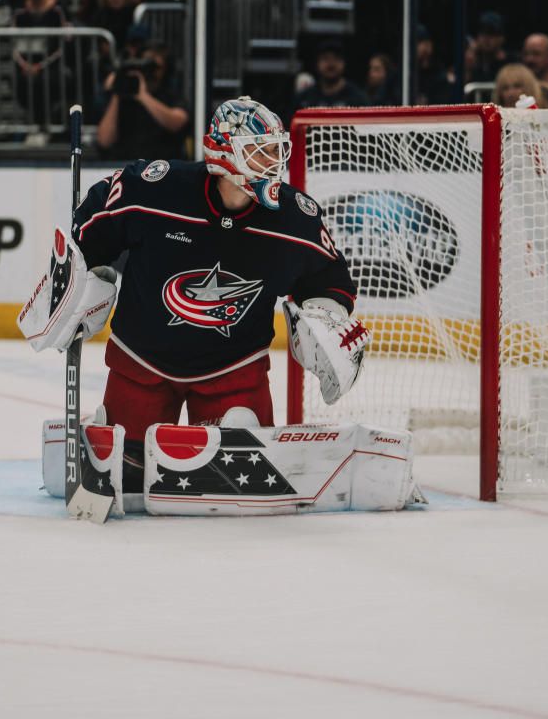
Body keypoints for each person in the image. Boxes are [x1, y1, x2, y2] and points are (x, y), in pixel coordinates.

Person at [24, 96, 366, 493]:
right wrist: (79, 280)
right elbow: (92, 228)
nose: (274, 163)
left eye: (277, 151)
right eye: (261, 152)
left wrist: (325, 314)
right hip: (142, 364)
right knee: (126, 474)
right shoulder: (155, 188)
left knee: (242, 469)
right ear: (224, 155)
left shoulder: (293, 219)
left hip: (234, 371)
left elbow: (330, 278)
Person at [96, 41, 188, 161]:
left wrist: (143, 96)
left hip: (163, 168)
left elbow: (177, 123)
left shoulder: (171, 94)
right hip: (126, 166)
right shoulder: (123, 96)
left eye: (156, 67)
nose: (151, 72)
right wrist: (118, 88)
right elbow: (104, 140)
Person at [11, 0, 69, 128]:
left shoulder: (58, 9)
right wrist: (25, 65)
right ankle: (35, 126)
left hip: (52, 66)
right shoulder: (19, 10)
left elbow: (64, 44)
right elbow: (13, 43)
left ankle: (45, 126)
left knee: (45, 83)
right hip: (25, 66)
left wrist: (40, 66)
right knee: (23, 84)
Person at [293, 38, 367, 113]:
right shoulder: (304, 99)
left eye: (336, 58)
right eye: (325, 58)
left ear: (344, 63)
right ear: (317, 63)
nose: (331, 64)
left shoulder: (358, 99)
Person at [469, 10, 509, 83]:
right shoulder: (472, 60)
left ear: (501, 38)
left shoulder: (510, 63)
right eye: (483, 33)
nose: (486, 39)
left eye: (492, 33)